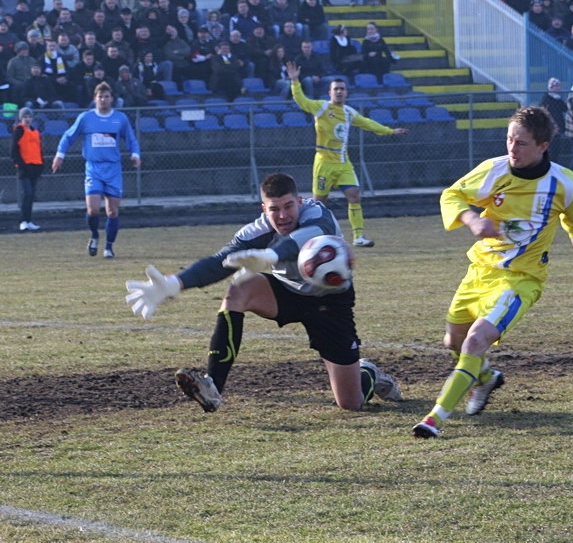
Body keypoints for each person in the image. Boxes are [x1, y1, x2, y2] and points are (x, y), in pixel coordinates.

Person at [124, 172, 402, 413]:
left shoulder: (318, 215)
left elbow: (300, 242)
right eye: (274, 209)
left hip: (330, 303)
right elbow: (220, 262)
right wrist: (175, 284)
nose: (282, 215)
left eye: (288, 206)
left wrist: (270, 255)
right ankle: (212, 387)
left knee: (350, 404)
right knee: (239, 289)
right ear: (263, 208)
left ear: (300, 201)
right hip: (287, 293)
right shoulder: (256, 230)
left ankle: (368, 373)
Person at [411, 106, 573, 439]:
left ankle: (434, 419)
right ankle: (486, 378)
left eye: (521, 143)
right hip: (480, 270)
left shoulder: (564, 183)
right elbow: (452, 195)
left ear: (542, 145)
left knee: (476, 340)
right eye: (509, 140)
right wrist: (473, 219)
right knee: (454, 341)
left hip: (521, 279)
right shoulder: (494, 170)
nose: (512, 149)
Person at [287, 61, 408, 247]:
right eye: (336, 89)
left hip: (343, 163)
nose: (339, 92)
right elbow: (302, 101)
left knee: (354, 195)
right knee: (319, 205)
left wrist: (390, 131)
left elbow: (368, 123)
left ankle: (359, 236)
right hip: (324, 163)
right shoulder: (321, 108)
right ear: (330, 92)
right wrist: (295, 82)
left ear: (346, 92)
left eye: (342, 89)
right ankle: (309, 237)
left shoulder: (349, 113)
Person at [51, 82, 141, 259]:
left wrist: (135, 154)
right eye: (100, 97)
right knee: (92, 210)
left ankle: (109, 247)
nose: (104, 100)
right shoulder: (86, 118)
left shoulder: (120, 118)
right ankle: (94, 236)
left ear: (111, 99)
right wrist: (59, 155)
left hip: (113, 169)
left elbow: (131, 139)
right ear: (95, 99)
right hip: (93, 168)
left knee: (112, 211)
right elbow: (68, 137)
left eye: (107, 97)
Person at [10, 107, 44, 232]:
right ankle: (23, 221)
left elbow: (39, 149)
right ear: (21, 118)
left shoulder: (35, 131)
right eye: (25, 117)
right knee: (27, 194)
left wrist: (41, 164)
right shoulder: (19, 130)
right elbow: (14, 150)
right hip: (25, 167)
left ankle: (28, 220)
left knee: (31, 195)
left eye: (29, 117)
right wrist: (20, 165)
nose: (27, 119)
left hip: (35, 166)